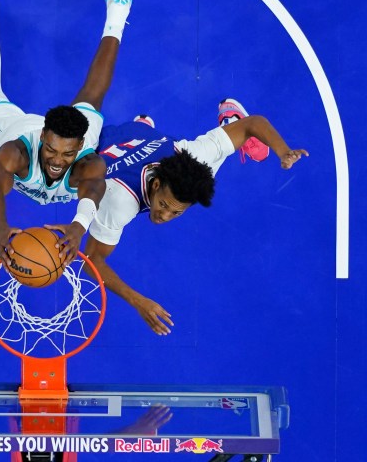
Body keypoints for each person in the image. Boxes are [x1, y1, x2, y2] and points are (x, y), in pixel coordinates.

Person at [84, 98, 309, 335]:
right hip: (107, 143)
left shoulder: (194, 155)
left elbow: (253, 122)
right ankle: (158, 128)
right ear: (156, 183)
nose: (164, 216)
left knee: (204, 172)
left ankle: (231, 120)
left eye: (176, 212)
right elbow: (91, 258)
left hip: (147, 140)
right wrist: (137, 301)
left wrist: (284, 152)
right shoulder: (119, 201)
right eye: (163, 205)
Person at [0, 0, 134, 266]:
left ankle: (119, 6)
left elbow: (94, 188)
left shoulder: (88, 162)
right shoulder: (15, 152)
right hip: (14, 126)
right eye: (52, 150)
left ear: (80, 147)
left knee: (92, 96)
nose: (57, 161)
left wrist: (78, 227)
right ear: (43, 136)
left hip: (69, 135)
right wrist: (0, 229)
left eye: (67, 154)